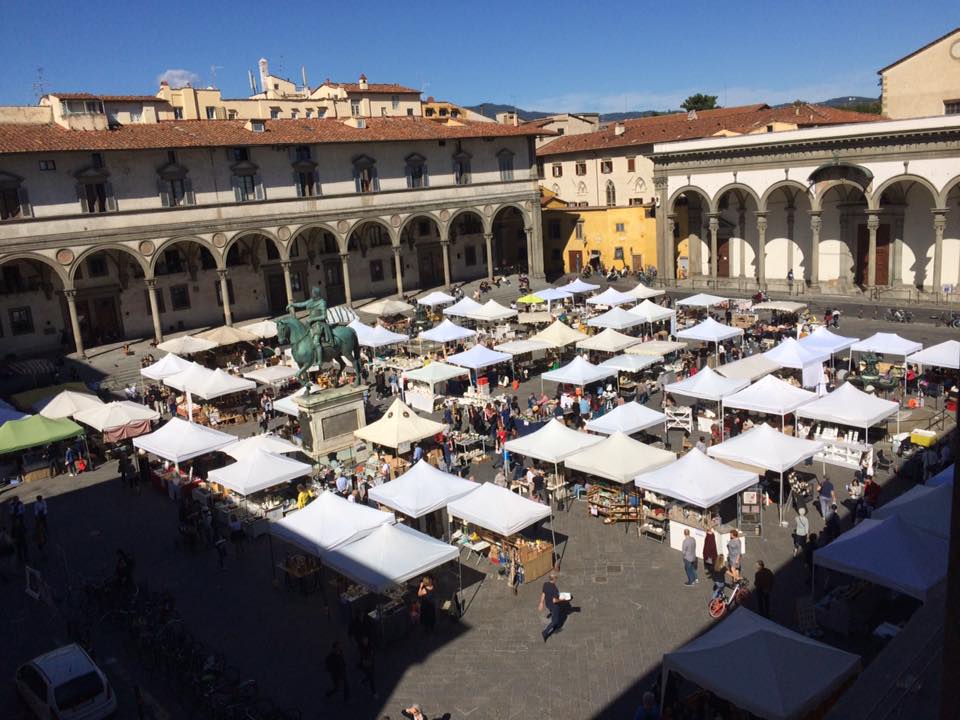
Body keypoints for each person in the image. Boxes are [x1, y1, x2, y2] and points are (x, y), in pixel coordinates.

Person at [539, 572, 566, 642]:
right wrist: (562, 599)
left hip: (548, 604)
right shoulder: (554, 589)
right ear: (554, 579)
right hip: (554, 606)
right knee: (555, 620)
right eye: (556, 578)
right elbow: (555, 600)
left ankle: (554, 618)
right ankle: (545, 632)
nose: (556, 579)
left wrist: (541, 603)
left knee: (553, 613)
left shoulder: (545, 584)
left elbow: (543, 593)